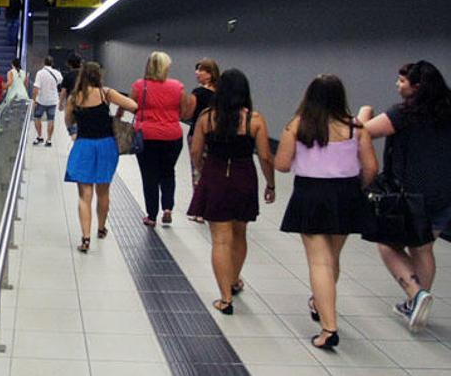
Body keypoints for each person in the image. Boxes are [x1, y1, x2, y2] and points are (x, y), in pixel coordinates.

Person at [275, 75, 377, 349]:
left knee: (319, 262)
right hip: (346, 194)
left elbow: (282, 164)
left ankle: (329, 328)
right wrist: (358, 188)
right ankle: (319, 302)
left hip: (311, 194)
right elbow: (370, 168)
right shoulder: (356, 127)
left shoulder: (298, 125)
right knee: (332, 257)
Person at [358, 61, 451, 331]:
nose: (397, 85)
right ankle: (415, 305)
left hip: (410, 196)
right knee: (422, 247)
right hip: (443, 195)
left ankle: (416, 294)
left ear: (417, 87)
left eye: (402, 81)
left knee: (387, 244)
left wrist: (364, 113)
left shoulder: (403, 114)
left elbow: (363, 134)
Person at [189, 69, 275, 315]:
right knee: (239, 234)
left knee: (220, 239)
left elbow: (196, 152)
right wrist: (271, 185)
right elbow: (266, 157)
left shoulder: (207, 118)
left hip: (215, 176)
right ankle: (234, 279)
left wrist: (202, 171)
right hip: (243, 177)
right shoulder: (254, 120)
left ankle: (225, 297)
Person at [65, 62, 138, 253]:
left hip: (84, 146)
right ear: (99, 75)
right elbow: (134, 105)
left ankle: (86, 238)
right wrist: (119, 111)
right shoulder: (107, 93)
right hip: (106, 146)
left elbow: (68, 121)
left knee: (84, 195)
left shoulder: (74, 98)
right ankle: (101, 228)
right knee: (103, 191)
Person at [121, 51, 194, 227]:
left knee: (149, 176)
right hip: (172, 136)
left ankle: (152, 216)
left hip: (146, 136)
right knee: (168, 172)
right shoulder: (177, 86)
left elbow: (132, 107)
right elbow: (184, 112)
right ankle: (167, 208)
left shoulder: (140, 85)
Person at [186, 58, 220, 223]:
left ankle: (199, 209)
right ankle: (212, 205)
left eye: (201, 70)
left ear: (210, 74)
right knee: (213, 169)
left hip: (197, 134)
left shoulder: (198, 93)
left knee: (197, 170)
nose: (197, 73)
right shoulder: (222, 93)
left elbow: (188, 114)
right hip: (216, 136)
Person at [32, 56, 63, 147]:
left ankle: (39, 136)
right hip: (53, 100)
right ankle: (49, 140)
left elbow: (36, 88)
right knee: (51, 119)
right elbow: (60, 81)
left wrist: (34, 100)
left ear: (44, 63)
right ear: (52, 63)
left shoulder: (40, 73)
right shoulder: (57, 73)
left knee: (37, 118)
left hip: (41, 100)